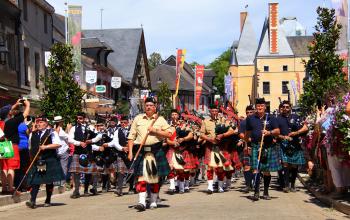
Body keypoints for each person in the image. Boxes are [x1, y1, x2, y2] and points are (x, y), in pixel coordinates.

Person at [127, 97, 172, 211]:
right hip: (141, 151)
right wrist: (130, 152)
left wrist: (155, 131)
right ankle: (141, 202)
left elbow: (170, 133)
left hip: (156, 151)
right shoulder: (138, 119)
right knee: (141, 178)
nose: (148, 107)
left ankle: (153, 201)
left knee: (155, 179)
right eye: (147, 105)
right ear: (144, 106)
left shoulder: (160, 119)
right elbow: (131, 137)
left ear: (155, 107)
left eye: (151, 105)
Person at [245, 98, 281, 201]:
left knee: (266, 171)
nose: (260, 108)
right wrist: (247, 144)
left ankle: (265, 191)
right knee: (256, 169)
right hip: (256, 145)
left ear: (265, 107)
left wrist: (269, 132)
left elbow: (278, 131)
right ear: (255, 107)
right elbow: (247, 133)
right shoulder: (250, 118)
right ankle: (256, 192)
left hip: (267, 146)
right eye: (258, 106)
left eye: (262, 106)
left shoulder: (271, 118)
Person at [25, 116, 65, 208]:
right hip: (38, 161)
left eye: (40, 122)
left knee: (49, 181)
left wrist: (46, 147)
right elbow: (30, 148)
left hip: (49, 159)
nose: (38, 124)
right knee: (36, 180)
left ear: (46, 124)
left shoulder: (51, 133)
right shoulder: (33, 134)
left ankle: (48, 199)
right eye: (37, 122)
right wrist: (32, 158)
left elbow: (58, 144)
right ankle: (33, 201)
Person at [200, 104, 235, 194]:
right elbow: (201, 134)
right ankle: (210, 187)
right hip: (210, 146)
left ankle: (220, 186)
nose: (214, 112)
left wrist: (222, 135)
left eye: (216, 111)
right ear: (210, 112)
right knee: (210, 167)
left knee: (220, 167)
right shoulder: (205, 121)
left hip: (221, 146)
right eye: (213, 111)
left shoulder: (223, 120)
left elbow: (231, 131)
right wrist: (209, 139)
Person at [68, 112, 102, 198]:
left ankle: (86, 190)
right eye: (77, 118)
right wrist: (79, 143)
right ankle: (76, 191)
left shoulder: (90, 127)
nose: (78, 120)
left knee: (88, 172)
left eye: (80, 118)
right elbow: (70, 139)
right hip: (78, 152)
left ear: (84, 118)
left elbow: (99, 136)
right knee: (76, 172)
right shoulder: (73, 128)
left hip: (88, 152)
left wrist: (91, 141)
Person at [277, 101, 308, 193]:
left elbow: (305, 128)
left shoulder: (296, 117)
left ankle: (293, 185)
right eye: (284, 107)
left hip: (295, 143)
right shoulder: (278, 119)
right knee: (285, 163)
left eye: (287, 107)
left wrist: (296, 133)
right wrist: (283, 137)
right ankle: (286, 185)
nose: (285, 108)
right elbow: (275, 132)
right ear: (281, 108)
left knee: (294, 165)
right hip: (283, 144)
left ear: (290, 108)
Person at [1, 99, 30, 194]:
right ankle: (10, 188)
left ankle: (4, 188)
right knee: (11, 167)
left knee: (4, 168)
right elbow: (25, 114)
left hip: (3, 144)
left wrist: (16, 104)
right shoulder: (12, 122)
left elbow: (7, 111)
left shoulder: (2, 122)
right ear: (9, 113)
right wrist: (27, 105)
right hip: (12, 145)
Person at [103, 115, 130, 196]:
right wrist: (122, 148)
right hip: (120, 153)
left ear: (127, 122)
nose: (123, 124)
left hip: (131, 153)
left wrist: (130, 148)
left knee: (132, 171)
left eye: (124, 122)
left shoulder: (132, 130)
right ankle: (119, 189)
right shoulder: (117, 131)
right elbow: (115, 142)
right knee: (120, 172)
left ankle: (132, 187)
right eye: (121, 122)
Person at [237, 105, 255, 193]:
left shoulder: (258, 121)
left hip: (257, 146)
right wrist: (247, 139)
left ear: (254, 112)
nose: (249, 114)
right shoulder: (243, 123)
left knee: (256, 167)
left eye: (251, 112)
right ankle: (248, 185)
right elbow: (240, 134)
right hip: (247, 146)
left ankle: (254, 182)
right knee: (247, 167)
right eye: (247, 112)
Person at [53, 116, 71, 190]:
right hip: (62, 150)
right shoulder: (59, 129)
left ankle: (58, 182)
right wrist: (69, 129)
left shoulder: (53, 129)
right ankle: (62, 183)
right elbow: (68, 137)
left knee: (58, 167)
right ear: (60, 122)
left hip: (58, 150)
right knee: (63, 167)